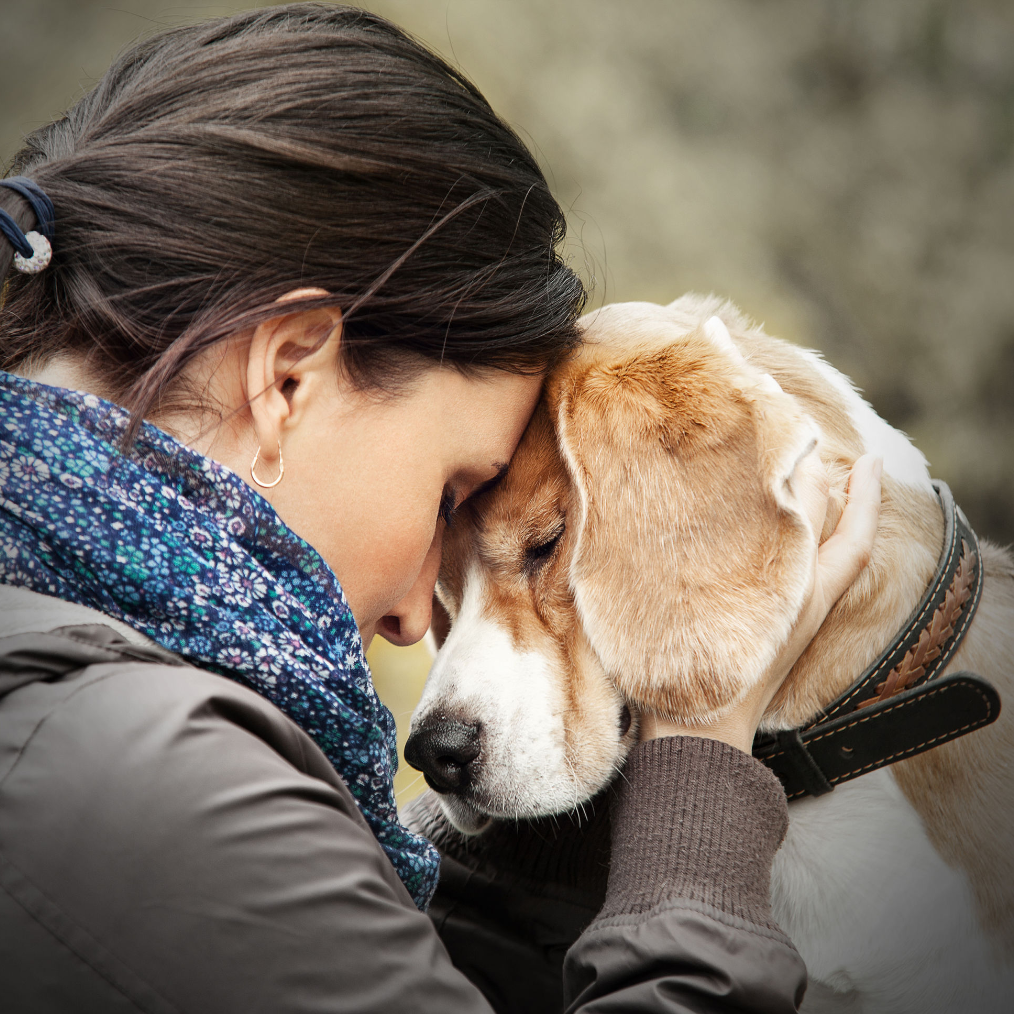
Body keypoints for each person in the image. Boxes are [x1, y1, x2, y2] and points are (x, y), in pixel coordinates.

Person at [0, 5, 881, 1012]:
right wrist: (698, 767)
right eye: (453, 495)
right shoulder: (139, 774)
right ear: (287, 377)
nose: (420, 618)